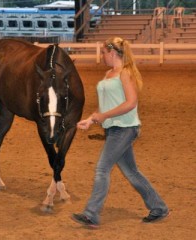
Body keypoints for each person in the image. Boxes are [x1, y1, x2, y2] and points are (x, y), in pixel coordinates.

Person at [71, 36, 169, 229]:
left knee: (102, 169)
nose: (102, 56)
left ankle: (91, 214)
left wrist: (104, 115)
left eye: (104, 52)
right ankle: (159, 207)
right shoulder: (109, 74)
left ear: (113, 53)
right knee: (131, 172)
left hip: (125, 128)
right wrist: (91, 119)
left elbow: (131, 103)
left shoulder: (125, 73)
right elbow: (107, 104)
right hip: (113, 129)